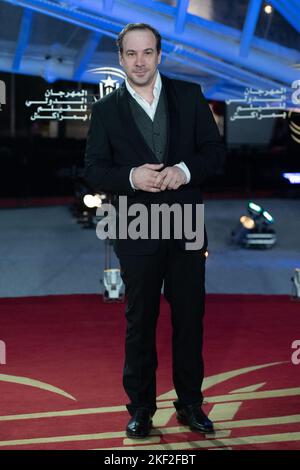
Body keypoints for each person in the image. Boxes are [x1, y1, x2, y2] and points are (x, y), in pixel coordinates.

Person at [85, 23, 225, 439]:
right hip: (135, 225)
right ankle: (142, 409)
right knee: (140, 321)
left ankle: (190, 405)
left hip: (185, 224)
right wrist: (131, 177)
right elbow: (93, 169)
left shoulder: (189, 96)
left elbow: (215, 154)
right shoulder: (107, 110)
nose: (140, 61)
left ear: (160, 55)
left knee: (190, 318)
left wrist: (183, 171)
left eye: (148, 53)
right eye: (131, 54)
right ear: (121, 58)